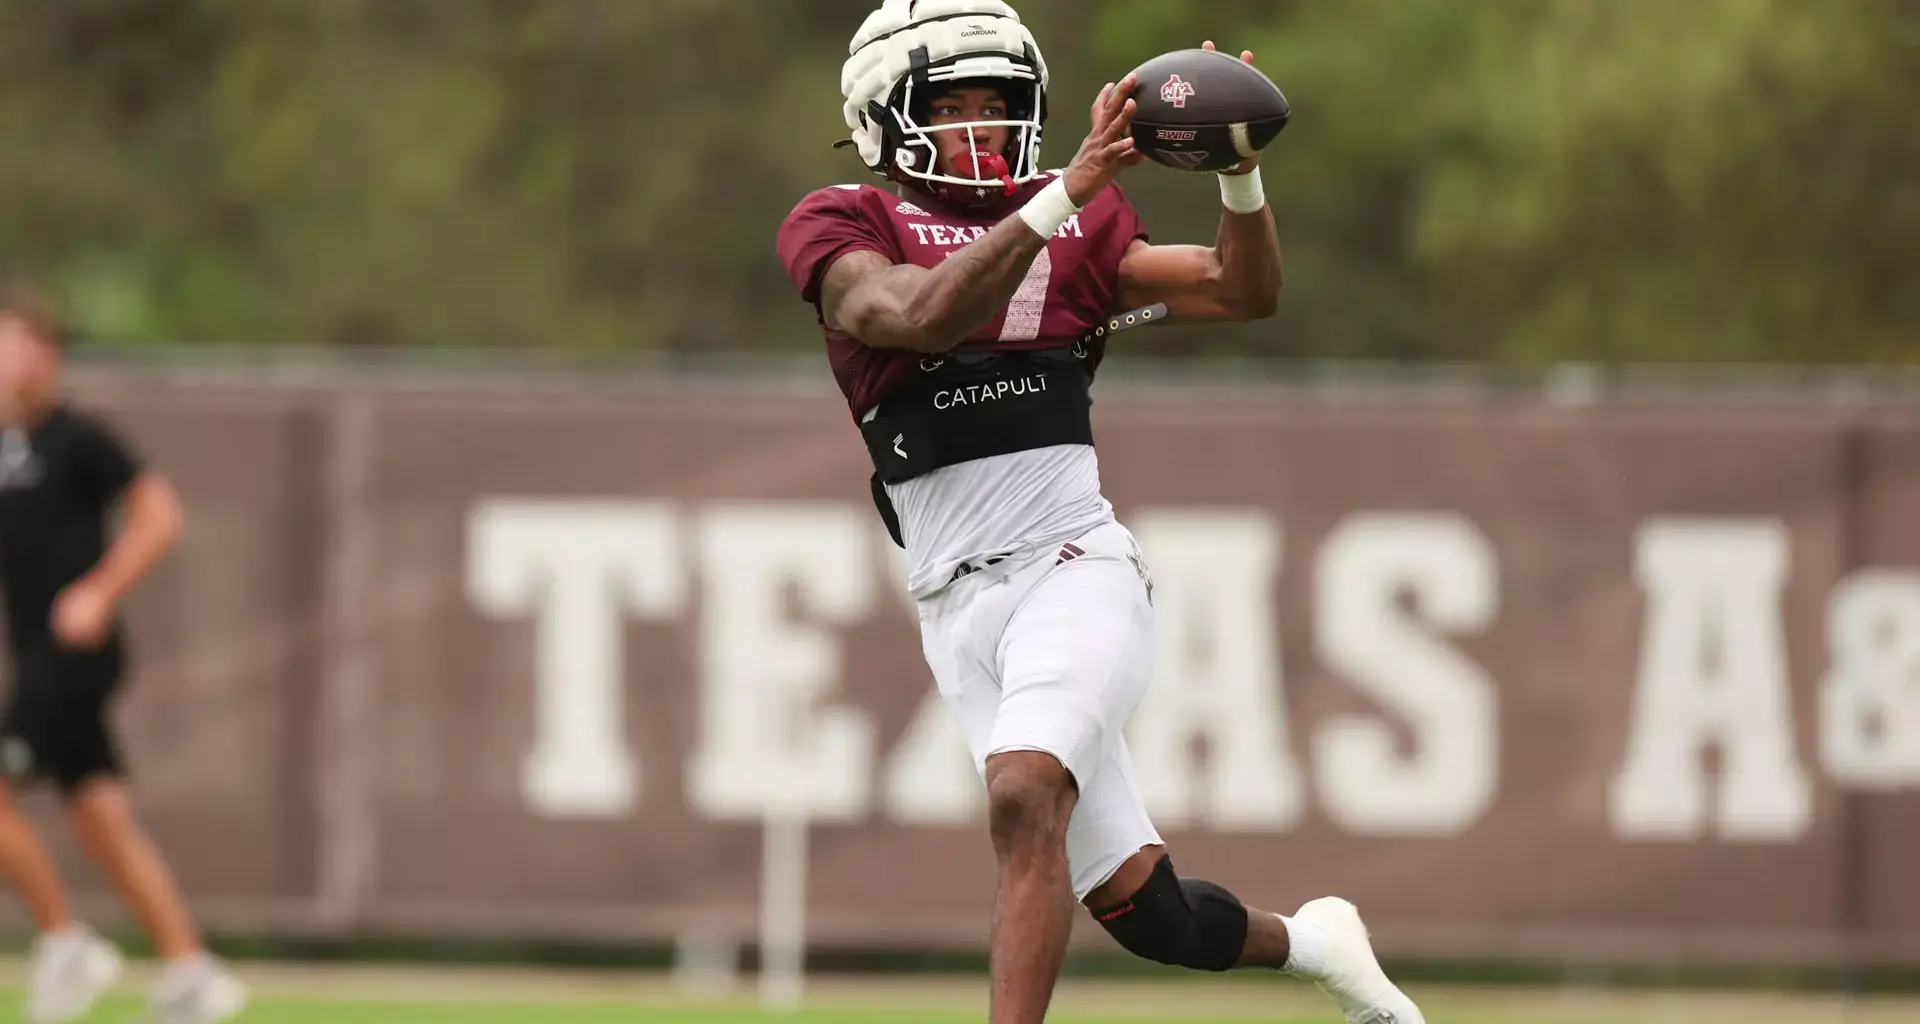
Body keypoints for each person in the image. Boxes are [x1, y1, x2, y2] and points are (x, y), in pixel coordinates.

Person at [776, 2, 1427, 1023]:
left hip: (1070, 565)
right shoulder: (845, 221)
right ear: (885, 116)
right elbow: (916, 315)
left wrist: (1237, 169)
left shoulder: (1078, 220)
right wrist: (1060, 194)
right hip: (953, 604)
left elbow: (1236, 290)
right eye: (955, 106)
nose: (982, 130)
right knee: (1147, 913)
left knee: (1023, 792)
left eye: (1000, 106)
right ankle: (1318, 944)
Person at [0, 285, 246, 1024]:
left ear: (47, 355)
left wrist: (99, 592)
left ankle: (65, 942)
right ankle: (192, 973)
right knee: (102, 816)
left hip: (75, 653)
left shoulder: (82, 438)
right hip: (39, 654)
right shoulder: (8, 449)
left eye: (10, 343)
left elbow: (161, 516)